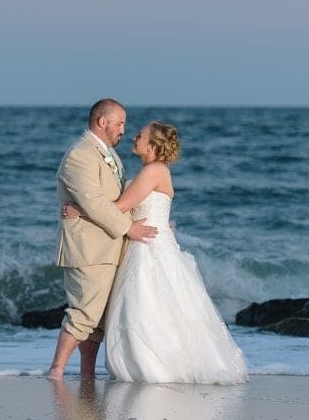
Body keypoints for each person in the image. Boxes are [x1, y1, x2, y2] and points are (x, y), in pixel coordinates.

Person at [62, 121, 249, 384]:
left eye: (140, 135)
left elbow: (121, 206)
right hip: (144, 242)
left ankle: (152, 367)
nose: (133, 137)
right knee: (151, 306)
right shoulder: (151, 171)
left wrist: (80, 211)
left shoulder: (153, 171)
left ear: (152, 145)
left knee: (147, 305)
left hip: (147, 247)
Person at [46, 99, 159, 381]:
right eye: (120, 123)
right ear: (102, 122)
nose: (124, 129)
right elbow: (94, 201)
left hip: (109, 246)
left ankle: (87, 374)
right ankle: (56, 370)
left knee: (98, 321)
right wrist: (129, 228)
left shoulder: (110, 155)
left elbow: (116, 201)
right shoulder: (79, 155)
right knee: (84, 312)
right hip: (88, 248)